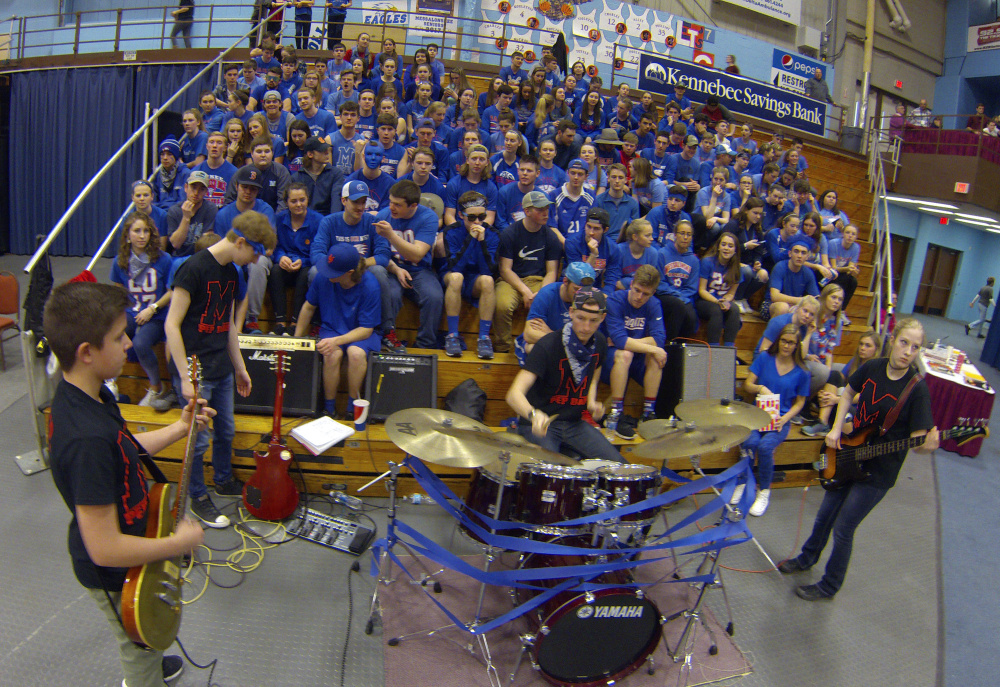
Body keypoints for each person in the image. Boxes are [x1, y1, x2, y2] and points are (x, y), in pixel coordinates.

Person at [46, 281, 212, 687]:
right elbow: (105, 548)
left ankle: (151, 658)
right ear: (87, 352)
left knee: (149, 638)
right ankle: (144, 673)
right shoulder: (84, 438)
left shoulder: (92, 394)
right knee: (137, 644)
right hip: (115, 571)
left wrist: (179, 427)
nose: (128, 343)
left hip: (138, 542)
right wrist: (178, 544)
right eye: (119, 337)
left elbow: (123, 449)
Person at [779, 318, 938, 601]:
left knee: (843, 528)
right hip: (851, 452)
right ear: (892, 339)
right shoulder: (874, 366)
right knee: (825, 514)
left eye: (915, 347)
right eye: (904, 343)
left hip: (878, 474)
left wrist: (928, 446)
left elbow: (918, 444)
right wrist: (837, 428)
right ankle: (806, 558)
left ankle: (829, 585)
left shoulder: (917, 389)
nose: (907, 351)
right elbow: (849, 391)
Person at [165, 211, 276, 528]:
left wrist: (240, 366)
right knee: (197, 441)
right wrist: (186, 377)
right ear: (241, 242)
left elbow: (227, 324)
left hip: (221, 367)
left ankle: (224, 480)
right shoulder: (193, 268)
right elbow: (172, 325)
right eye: (255, 253)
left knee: (226, 431)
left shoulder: (232, 273)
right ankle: (198, 498)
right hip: (195, 371)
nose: (255, 261)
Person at [506, 288, 624, 463]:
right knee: (550, 473)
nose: (586, 327)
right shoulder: (548, 345)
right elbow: (513, 394)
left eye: (593, 321)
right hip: (542, 423)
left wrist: (591, 402)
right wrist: (533, 415)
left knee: (619, 467)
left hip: (574, 423)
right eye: (580, 318)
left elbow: (592, 379)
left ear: (603, 318)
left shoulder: (599, 343)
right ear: (571, 312)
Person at [733, 323, 810, 517]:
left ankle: (764, 491)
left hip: (780, 420)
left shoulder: (802, 371)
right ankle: (742, 482)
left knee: (766, 447)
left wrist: (784, 419)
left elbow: (800, 403)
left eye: (792, 343)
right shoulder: (765, 358)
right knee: (750, 442)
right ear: (779, 340)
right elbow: (748, 385)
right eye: (784, 340)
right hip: (757, 415)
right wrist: (760, 388)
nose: (787, 345)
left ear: (797, 345)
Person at [294, 242, 379, 418]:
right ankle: (329, 409)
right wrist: (296, 340)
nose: (326, 272)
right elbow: (308, 307)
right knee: (331, 354)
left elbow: (366, 329)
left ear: (349, 273)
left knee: (356, 354)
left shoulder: (370, 285)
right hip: (332, 327)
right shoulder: (322, 278)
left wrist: (337, 341)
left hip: (360, 332)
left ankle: (351, 408)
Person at [109, 212, 174, 407]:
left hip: (157, 314)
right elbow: (118, 292)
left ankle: (156, 388)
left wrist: (152, 308)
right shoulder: (120, 261)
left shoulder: (164, 259)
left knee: (140, 343)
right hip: (131, 311)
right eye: (136, 231)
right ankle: (110, 380)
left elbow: (172, 292)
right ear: (127, 235)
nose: (142, 235)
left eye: (146, 231)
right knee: (110, 333)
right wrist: (120, 327)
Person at [372, 180, 443, 350]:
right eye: (390, 202)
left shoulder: (428, 217)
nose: (391, 207)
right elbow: (380, 254)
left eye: (397, 204)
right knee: (392, 294)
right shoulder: (383, 216)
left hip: (419, 269)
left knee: (434, 297)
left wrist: (391, 235)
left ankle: (424, 345)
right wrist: (396, 269)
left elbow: (417, 255)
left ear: (413, 206)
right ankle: (387, 340)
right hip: (391, 268)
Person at [602, 264, 667, 437]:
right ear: (631, 284)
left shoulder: (654, 304)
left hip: (635, 358)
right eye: (637, 290)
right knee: (626, 353)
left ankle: (648, 413)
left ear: (652, 293)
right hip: (610, 359)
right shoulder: (614, 300)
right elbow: (620, 340)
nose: (639, 297)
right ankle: (615, 413)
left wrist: (629, 342)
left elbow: (659, 339)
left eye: (645, 294)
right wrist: (646, 346)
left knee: (655, 357)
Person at [494, 190, 561, 353]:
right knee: (502, 304)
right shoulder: (510, 233)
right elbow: (505, 270)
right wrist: (524, 291)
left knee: (549, 302)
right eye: (540, 209)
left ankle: (540, 347)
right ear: (527, 211)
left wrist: (542, 293)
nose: (546, 213)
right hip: (512, 280)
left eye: (547, 208)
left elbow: (552, 272)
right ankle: (502, 347)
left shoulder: (551, 237)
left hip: (539, 280)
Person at [440, 191, 500, 359]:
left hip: (476, 278)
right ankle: (452, 335)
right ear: (461, 215)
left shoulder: (493, 234)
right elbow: (455, 266)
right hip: (453, 274)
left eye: (481, 217)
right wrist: (471, 239)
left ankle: (484, 338)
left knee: (488, 281)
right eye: (471, 218)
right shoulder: (451, 231)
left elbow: (488, 270)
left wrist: (481, 242)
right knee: (456, 277)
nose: (477, 222)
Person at [801, 328, 883, 437]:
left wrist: (835, 399)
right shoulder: (855, 361)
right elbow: (839, 378)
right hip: (842, 403)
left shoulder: (877, 369)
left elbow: (863, 397)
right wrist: (825, 391)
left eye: (868, 346)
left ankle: (835, 427)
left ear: (876, 349)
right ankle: (823, 422)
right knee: (834, 374)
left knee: (836, 403)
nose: (862, 348)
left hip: (858, 411)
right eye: (861, 344)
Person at [268, 182, 322, 335]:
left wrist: (303, 261)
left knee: (306, 274)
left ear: (308, 199)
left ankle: (295, 323)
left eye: (302, 200)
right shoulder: (278, 219)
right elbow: (273, 245)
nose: (298, 204)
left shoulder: (318, 221)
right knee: (275, 271)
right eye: (293, 201)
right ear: (286, 202)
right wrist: (280, 257)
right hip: (285, 265)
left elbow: (319, 251)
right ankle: (279, 322)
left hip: (305, 264)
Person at [697, 232, 743, 346]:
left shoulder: (737, 268)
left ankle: (729, 349)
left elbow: (731, 293)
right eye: (724, 244)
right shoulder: (707, 262)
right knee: (716, 310)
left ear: (735, 250)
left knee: (735, 309)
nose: (726, 248)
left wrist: (726, 300)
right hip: (704, 301)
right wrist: (717, 301)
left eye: (730, 246)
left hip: (721, 301)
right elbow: (702, 290)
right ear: (718, 247)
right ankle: (713, 349)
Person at [564, 207, 622, 297]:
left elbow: (611, 278)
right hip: (572, 288)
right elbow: (579, 277)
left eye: (596, 229)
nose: (591, 232)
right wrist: (593, 254)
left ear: (605, 230)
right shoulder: (572, 243)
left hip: (595, 289)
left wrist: (605, 295)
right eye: (589, 226)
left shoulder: (613, 248)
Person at [223, 135, 290, 212]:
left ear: (272, 153)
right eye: (259, 151)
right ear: (251, 154)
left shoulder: (281, 171)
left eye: (267, 151)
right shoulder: (242, 172)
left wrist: (274, 221)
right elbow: (229, 201)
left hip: (272, 217)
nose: (263, 155)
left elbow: (283, 202)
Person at [166, 170, 218, 257]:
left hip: (201, 257)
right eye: (193, 187)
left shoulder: (210, 209)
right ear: (186, 187)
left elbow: (207, 243)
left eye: (201, 189)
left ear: (206, 192)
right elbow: (175, 244)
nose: (196, 193)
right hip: (180, 258)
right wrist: (186, 218)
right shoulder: (174, 211)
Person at [290, 136, 344, 216]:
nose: (327, 152)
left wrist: (332, 222)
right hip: (305, 219)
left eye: (327, 149)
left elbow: (336, 203)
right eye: (322, 150)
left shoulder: (335, 174)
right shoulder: (297, 177)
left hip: (327, 219)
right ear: (310, 154)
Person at [768, 238, 821, 319]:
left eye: (803, 253)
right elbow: (774, 296)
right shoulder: (780, 267)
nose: (799, 256)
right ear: (790, 253)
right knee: (783, 307)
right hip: (772, 305)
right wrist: (801, 300)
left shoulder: (808, 273)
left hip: (795, 306)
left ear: (807, 256)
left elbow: (816, 298)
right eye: (796, 251)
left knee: (810, 312)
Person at [548, 158, 594, 245]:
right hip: (560, 243)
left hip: (583, 244)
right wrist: (567, 245)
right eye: (573, 173)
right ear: (568, 173)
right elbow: (551, 226)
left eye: (580, 174)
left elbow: (593, 225)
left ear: (586, 176)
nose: (576, 177)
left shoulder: (591, 196)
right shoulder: (554, 195)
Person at [593, 163, 640, 240]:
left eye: (620, 178)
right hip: (604, 242)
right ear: (608, 178)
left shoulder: (633, 203)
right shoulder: (598, 201)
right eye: (614, 177)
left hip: (625, 243)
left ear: (626, 180)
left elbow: (634, 230)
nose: (617, 181)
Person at [195, 131, 239, 208]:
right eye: (211, 142)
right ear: (207, 146)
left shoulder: (234, 172)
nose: (214, 146)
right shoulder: (196, 171)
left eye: (219, 143)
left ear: (225, 148)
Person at [153, 138, 191, 211]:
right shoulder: (158, 175)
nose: (165, 158)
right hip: (161, 213)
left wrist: (163, 207)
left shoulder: (186, 174)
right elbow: (154, 201)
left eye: (169, 154)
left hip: (178, 214)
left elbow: (183, 202)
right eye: (162, 154)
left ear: (176, 156)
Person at [828, 224, 861, 307]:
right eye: (847, 232)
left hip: (842, 272)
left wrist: (853, 271)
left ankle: (841, 309)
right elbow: (833, 267)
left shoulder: (856, 247)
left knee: (853, 281)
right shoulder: (833, 243)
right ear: (842, 234)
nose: (850, 236)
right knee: (839, 279)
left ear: (856, 237)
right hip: (830, 271)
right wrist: (848, 268)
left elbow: (850, 270)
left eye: (853, 234)